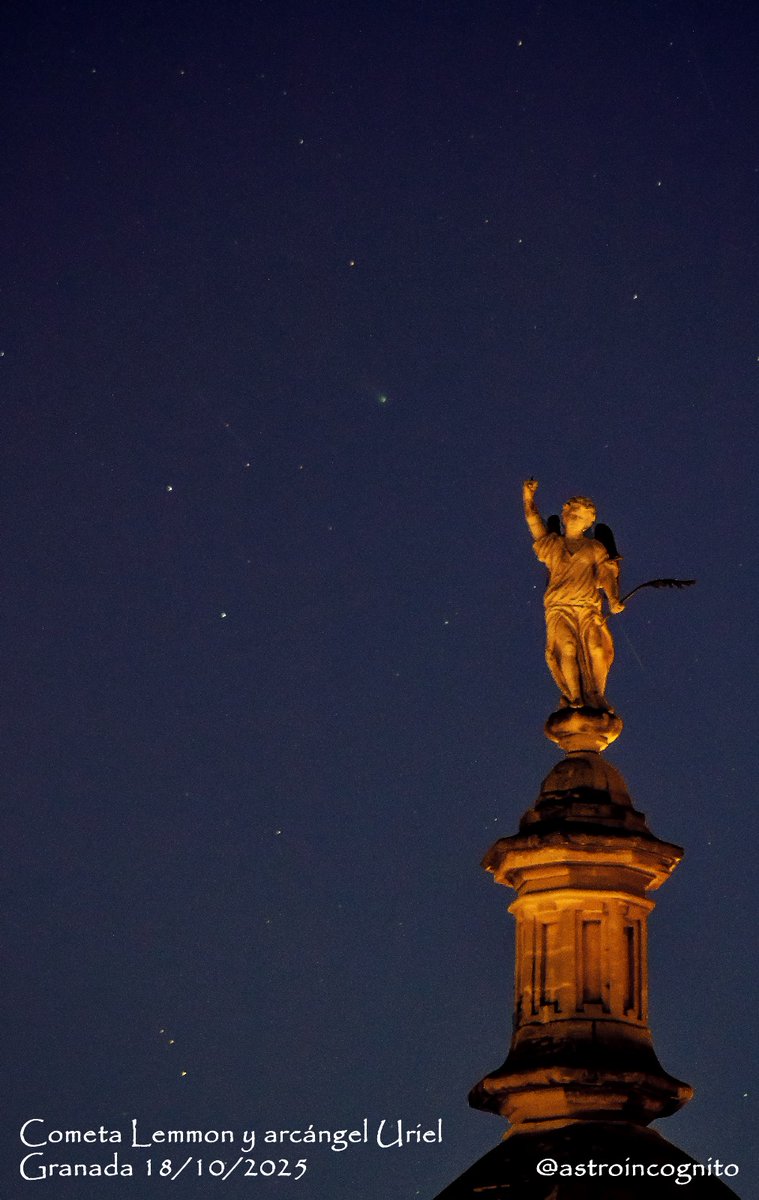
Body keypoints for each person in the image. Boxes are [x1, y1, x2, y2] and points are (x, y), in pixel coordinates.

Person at [522, 478, 624, 711]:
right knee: (567, 647)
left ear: (588, 523)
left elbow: (607, 574)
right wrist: (528, 498)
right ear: (564, 515)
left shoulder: (595, 548)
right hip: (560, 606)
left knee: (597, 649)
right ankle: (575, 696)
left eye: (579, 516)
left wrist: (613, 599)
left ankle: (597, 694)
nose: (573, 518)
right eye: (570, 513)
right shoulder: (552, 544)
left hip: (588, 607)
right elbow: (533, 521)